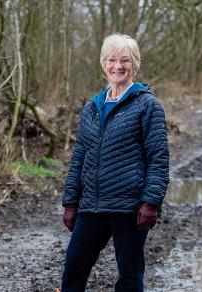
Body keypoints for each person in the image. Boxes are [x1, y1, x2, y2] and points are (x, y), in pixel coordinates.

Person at [60, 33, 170, 291]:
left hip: (130, 208)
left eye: (125, 60)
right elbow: (79, 158)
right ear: (104, 63)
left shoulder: (147, 106)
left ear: (135, 64)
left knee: (130, 277)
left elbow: (158, 158)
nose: (118, 66)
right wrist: (70, 202)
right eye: (112, 60)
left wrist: (151, 203)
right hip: (92, 206)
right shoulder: (92, 107)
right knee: (73, 269)